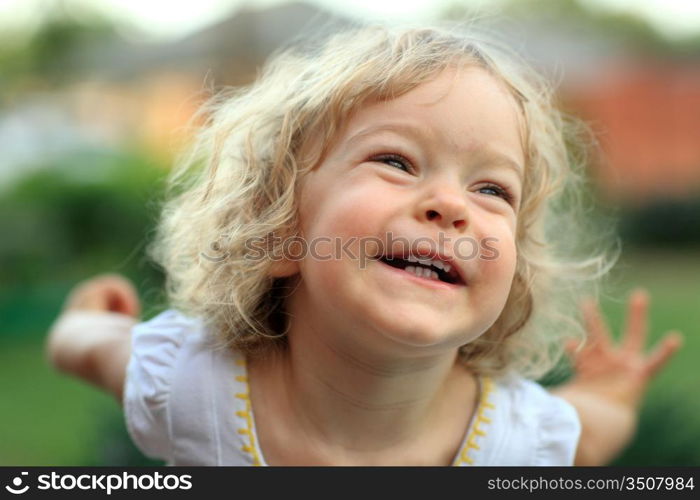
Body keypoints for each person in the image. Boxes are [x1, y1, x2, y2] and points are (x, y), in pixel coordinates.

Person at [46, 25, 682, 466]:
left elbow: (594, 438)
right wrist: (85, 320)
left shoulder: (523, 440)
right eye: (398, 161)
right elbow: (84, 350)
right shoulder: (186, 382)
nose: (452, 206)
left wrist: (610, 393)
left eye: (493, 189)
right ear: (278, 231)